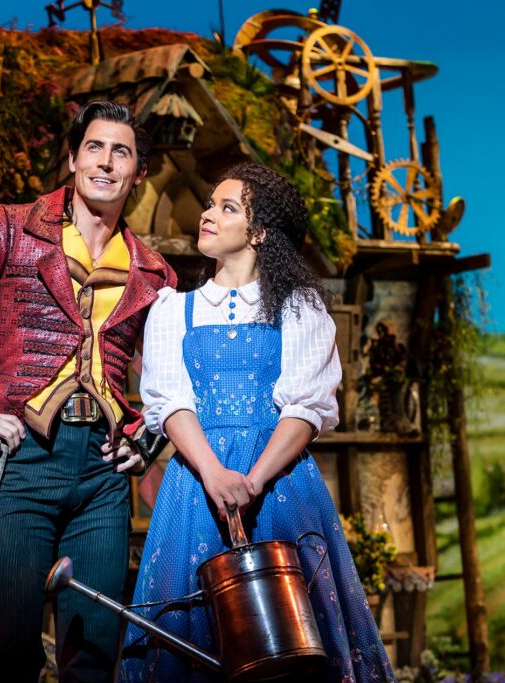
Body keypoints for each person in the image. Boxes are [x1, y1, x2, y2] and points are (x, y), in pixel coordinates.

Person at [0, 100, 177, 682]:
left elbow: (168, 379)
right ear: (72, 159)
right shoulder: (8, 228)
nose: (106, 162)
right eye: (94, 147)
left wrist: (147, 440)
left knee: (93, 660)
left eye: (121, 152)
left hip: (102, 478)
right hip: (19, 465)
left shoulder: (154, 272)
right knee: (10, 659)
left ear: (139, 173)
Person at [119, 163, 396, 682]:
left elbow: (305, 409)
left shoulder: (298, 308)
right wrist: (214, 473)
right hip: (197, 484)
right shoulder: (173, 310)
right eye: (210, 204)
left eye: (227, 208)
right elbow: (171, 403)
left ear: (259, 231)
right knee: (193, 638)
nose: (208, 215)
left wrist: (254, 480)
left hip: (279, 486)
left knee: (292, 641)